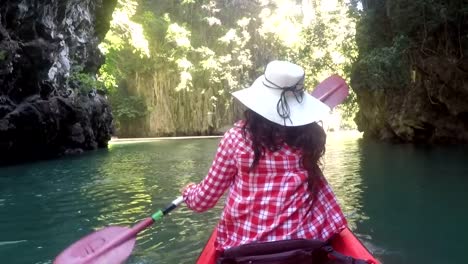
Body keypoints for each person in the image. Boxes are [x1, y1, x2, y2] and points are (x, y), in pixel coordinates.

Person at [182, 60, 347, 252]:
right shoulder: (309, 140)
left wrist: (188, 192)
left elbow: (203, 202)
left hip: (244, 249)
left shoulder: (235, 138)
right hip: (303, 246)